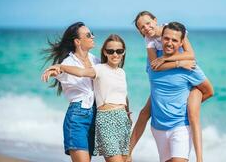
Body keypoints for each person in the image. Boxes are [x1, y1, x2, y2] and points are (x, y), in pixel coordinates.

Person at [129, 12, 214, 162]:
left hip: (181, 126)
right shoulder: (151, 52)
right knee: (143, 113)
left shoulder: (189, 66)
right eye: (142, 27)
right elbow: (155, 68)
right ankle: (127, 154)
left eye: (149, 23)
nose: (147, 28)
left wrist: (190, 104)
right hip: (158, 128)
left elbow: (208, 91)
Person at [43, 34, 131, 162]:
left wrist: (128, 116)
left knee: (126, 160)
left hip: (122, 119)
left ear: (124, 52)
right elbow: (80, 72)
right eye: (110, 51)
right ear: (105, 52)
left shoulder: (122, 72)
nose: (115, 54)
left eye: (119, 51)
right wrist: (61, 67)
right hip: (107, 119)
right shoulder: (99, 69)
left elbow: (123, 95)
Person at [41, 22, 99, 162]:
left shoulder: (96, 60)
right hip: (77, 118)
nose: (93, 37)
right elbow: (60, 71)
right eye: (88, 35)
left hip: (96, 116)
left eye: (92, 33)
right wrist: (56, 71)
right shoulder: (67, 63)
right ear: (78, 41)